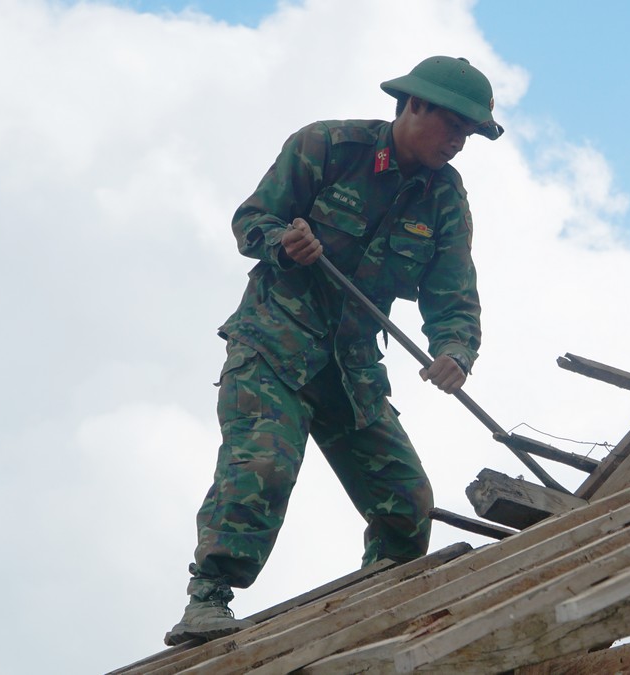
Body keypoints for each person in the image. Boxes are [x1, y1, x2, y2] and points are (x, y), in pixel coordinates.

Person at [165, 56, 502, 646]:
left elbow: (452, 289)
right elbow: (252, 219)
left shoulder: (444, 197)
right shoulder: (327, 146)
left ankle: (381, 603)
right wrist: (281, 243)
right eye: (454, 127)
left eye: (468, 134)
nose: (459, 143)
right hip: (274, 343)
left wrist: (455, 349)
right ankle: (207, 599)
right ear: (414, 105)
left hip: (351, 368)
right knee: (263, 468)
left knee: (407, 502)